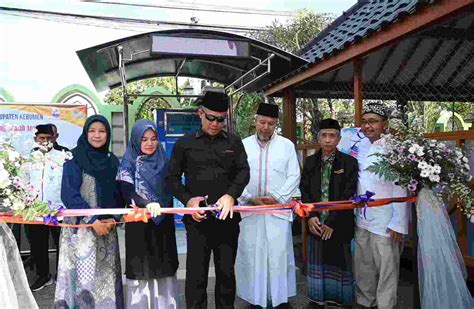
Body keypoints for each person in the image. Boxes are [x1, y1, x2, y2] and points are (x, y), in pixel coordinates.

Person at [166, 90, 250, 309]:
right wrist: (188, 201)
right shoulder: (185, 144)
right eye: (210, 117)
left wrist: (231, 195)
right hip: (198, 222)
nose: (215, 123)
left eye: (221, 119)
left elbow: (243, 172)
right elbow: (172, 178)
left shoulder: (234, 141)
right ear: (200, 114)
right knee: (196, 276)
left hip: (227, 220)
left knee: (226, 275)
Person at [235, 102, 300, 308]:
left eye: (270, 123)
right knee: (252, 257)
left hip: (277, 211)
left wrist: (278, 197)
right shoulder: (242, 145)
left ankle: (279, 300)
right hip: (250, 210)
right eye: (262, 122)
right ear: (255, 121)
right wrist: (248, 197)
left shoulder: (286, 145)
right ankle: (255, 299)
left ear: (276, 124)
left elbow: (294, 175)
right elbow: (234, 176)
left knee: (278, 257)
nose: (265, 127)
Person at [55, 115, 124, 308]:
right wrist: (91, 218)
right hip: (81, 230)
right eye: (92, 131)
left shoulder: (111, 161)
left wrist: (114, 218)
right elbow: (69, 194)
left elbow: (119, 194)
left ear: (107, 134)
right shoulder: (73, 158)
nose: (97, 135)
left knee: (106, 282)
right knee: (81, 284)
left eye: (102, 131)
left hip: (106, 231)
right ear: (86, 133)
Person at [117, 119, 179, 308]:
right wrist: (147, 203)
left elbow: (173, 185)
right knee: (141, 271)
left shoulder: (164, 160)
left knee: (164, 269)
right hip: (139, 223)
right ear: (136, 140)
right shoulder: (127, 162)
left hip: (163, 224)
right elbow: (126, 192)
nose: (150, 143)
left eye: (153, 139)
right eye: (144, 139)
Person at [353, 102, 408, 309]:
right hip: (363, 217)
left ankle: (385, 305)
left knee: (386, 268)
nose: (368, 126)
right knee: (364, 265)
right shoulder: (360, 146)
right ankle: (365, 302)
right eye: (365, 122)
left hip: (386, 219)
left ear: (384, 124)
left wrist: (398, 223)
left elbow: (401, 187)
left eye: (373, 122)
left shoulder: (394, 147)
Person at [300, 119, 359, 308]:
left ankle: (339, 300)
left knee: (339, 261)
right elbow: (305, 191)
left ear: (339, 138)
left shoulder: (349, 162)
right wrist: (311, 217)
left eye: (332, 135)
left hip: (339, 222)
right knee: (317, 260)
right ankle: (317, 299)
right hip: (316, 221)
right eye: (323, 135)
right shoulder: (310, 162)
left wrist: (332, 222)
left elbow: (348, 194)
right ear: (318, 137)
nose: (327, 140)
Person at [21, 124, 68, 291]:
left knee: (63, 244)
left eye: (48, 138)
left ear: (54, 139)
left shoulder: (62, 157)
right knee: (38, 245)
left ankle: (63, 276)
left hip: (59, 210)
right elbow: (23, 182)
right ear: (35, 139)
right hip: (36, 211)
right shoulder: (28, 159)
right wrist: (28, 202)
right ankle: (43, 275)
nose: (45, 141)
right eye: (42, 138)